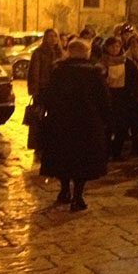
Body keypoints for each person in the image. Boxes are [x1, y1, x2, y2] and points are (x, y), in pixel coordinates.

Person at [39, 40, 110, 212]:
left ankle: (64, 191)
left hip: (61, 122)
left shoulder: (59, 71)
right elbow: (104, 99)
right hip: (86, 123)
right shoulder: (94, 73)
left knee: (64, 157)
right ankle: (77, 196)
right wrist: (105, 118)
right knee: (82, 160)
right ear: (86, 52)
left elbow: (48, 94)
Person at [100, 36, 138, 161]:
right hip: (108, 98)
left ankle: (117, 152)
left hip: (123, 98)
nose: (115, 49)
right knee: (107, 127)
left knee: (122, 127)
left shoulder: (127, 63)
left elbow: (134, 80)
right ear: (106, 48)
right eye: (112, 46)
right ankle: (105, 152)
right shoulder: (101, 63)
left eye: (117, 46)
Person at [27, 29, 63, 153]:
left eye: (55, 36)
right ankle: (38, 144)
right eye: (50, 36)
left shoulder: (60, 53)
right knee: (39, 118)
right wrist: (34, 90)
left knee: (54, 117)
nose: (53, 39)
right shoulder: (39, 53)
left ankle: (51, 143)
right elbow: (34, 72)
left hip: (56, 90)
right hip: (43, 89)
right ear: (45, 38)